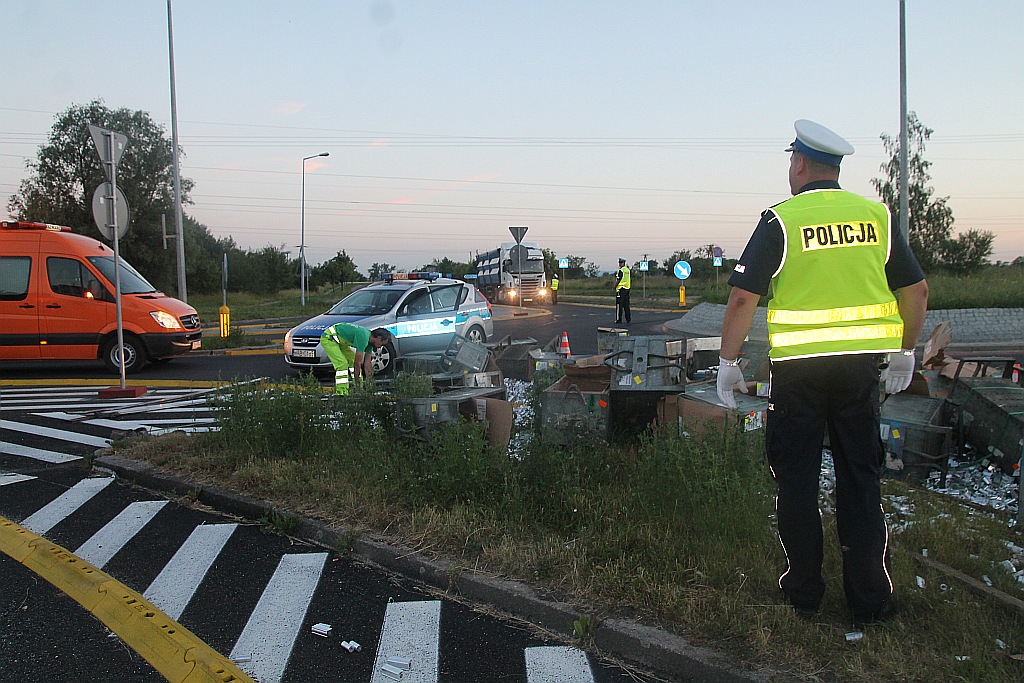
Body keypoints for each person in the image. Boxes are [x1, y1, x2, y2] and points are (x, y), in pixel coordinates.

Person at [716, 119, 928, 628]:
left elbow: (745, 295)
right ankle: (870, 601)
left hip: (798, 376)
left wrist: (727, 362)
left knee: (797, 480)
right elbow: (915, 292)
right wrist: (905, 351)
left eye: (791, 161)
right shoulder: (875, 215)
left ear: (801, 165)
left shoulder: (782, 220)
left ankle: (804, 594)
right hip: (860, 373)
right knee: (861, 478)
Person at [320, 323, 391, 395]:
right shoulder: (363, 337)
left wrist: (369, 382)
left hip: (340, 341)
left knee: (351, 361)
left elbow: (367, 363)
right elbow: (357, 363)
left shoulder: (370, 342)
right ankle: (342, 393)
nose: (380, 347)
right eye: (382, 344)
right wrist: (357, 382)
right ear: (379, 338)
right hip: (329, 338)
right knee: (342, 364)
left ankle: (359, 389)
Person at [614, 257, 631, 324]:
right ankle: (628, 319)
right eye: (619, 263)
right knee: (626, 305)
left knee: (619, 305)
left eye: (621, 263)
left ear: (623, 263)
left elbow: (619, 279)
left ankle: (619, 319)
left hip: (621, 289)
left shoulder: (621, 270)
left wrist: (614, 286)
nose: (620, 264)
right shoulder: (627, 270)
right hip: (627, 288)